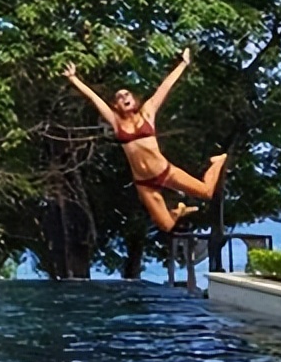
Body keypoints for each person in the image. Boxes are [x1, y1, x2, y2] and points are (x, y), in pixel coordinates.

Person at [62, 48, 226, 233]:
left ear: (134, 99)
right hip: (144, 182)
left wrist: (183, 64)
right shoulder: (116, 122)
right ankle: (179, 210)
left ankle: (217, 162)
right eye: (119, 97)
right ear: (116, 105)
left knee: (206, 192)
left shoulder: (147, 112)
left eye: (127, 95)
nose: (124, 97)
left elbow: (164, 87)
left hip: (165, 172)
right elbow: (94, 98)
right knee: (166, 225)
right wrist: (73, 78)